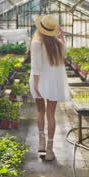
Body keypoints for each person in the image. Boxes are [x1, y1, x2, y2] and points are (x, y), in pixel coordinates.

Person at [29, 15, 70, 161]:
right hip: (54, 82)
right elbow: (65, 50)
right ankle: (50, 150)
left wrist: (35, 85)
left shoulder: (36, 43)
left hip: (39, 80)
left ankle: (41, 142)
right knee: (51, 114)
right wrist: (61, 36)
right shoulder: (58, 44)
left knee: (40, 110)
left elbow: (36, 67)